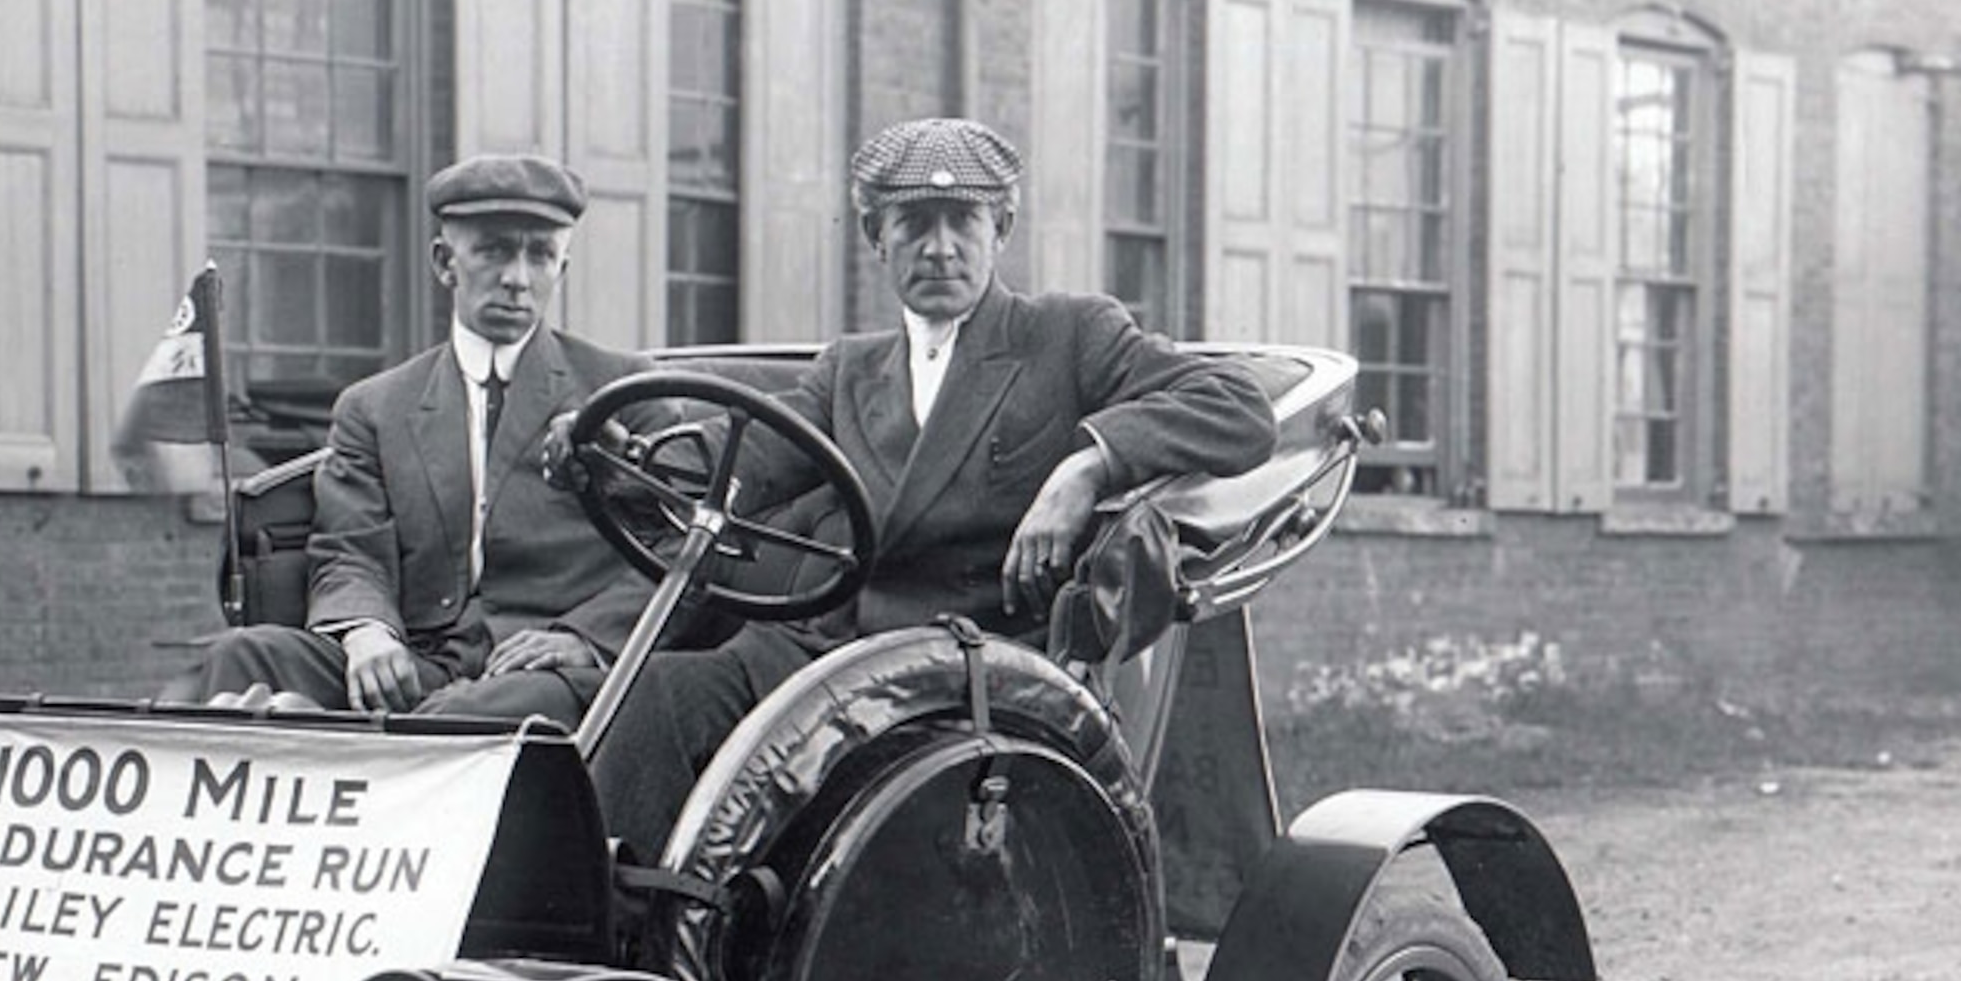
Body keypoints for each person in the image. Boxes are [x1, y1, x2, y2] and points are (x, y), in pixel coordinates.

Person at [586, 117, 1281, 857]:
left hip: (971, 669)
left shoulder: (1068, 337)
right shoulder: (847, 372)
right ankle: (629, 931)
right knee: (660, 697)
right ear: (874, 237)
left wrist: (1088, 465)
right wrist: (624, 457)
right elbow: (741, 465)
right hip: (826, 653)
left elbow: (1237, 409)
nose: (940, 248)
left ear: (1002, 228)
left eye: (963, 222)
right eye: (914, 224)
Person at [172, 153, 657, 725]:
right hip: (420, 660)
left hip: (546, 672)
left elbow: (681, 552)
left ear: (562, 268)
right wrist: (366, 633)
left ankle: (338, 745)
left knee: (463, 713)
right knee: (242, 656)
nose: (518, 278)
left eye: (541, 255)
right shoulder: (375, 407)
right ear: (444, 262)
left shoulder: (625, 390)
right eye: (494, 250)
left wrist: (584, 638)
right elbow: (349, 549)